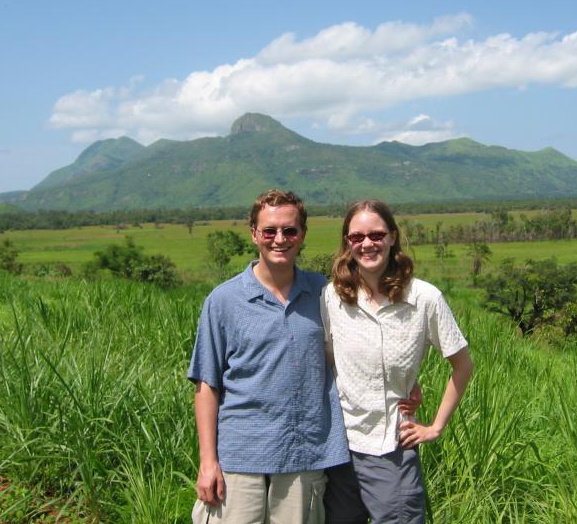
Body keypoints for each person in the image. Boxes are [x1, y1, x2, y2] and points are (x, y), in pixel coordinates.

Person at [187, 189, 350, 523]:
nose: (280, 239)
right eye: (270, 231)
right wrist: (208, 462)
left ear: (302, 234)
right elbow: (207, 385)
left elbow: (356, 355)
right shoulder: (224, 301)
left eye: (289, 230)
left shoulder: (324, 294)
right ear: (254, 234)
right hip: (239, 456)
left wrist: (403, 385)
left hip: (303, 452)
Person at [321, 199, 474, 523]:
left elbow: (463, 365)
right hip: (338, 448)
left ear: (392, 236)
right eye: (357, 237)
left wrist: (436, 426)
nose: (367, 244)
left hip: (390, 447)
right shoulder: (333, 297)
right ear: (347, 243)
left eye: (376, 235)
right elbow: (329, 363)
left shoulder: (423, 299)